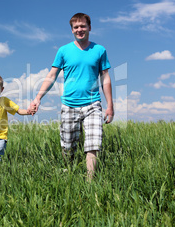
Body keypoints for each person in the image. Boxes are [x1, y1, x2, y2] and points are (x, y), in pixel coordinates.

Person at [28, 13, 114, 181]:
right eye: (76, 27)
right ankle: (69, 172)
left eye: (83, 26)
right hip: (69, 105)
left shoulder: (99, 50)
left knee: (93, 143)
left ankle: (90, 183)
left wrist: (110, 104)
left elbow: (105, 78)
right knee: (68, 146)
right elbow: (52, 75)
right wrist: (38, 97)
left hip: (92, 104)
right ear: (72, 30)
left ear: (89, 27)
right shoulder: (64, 51)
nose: (79, 30)